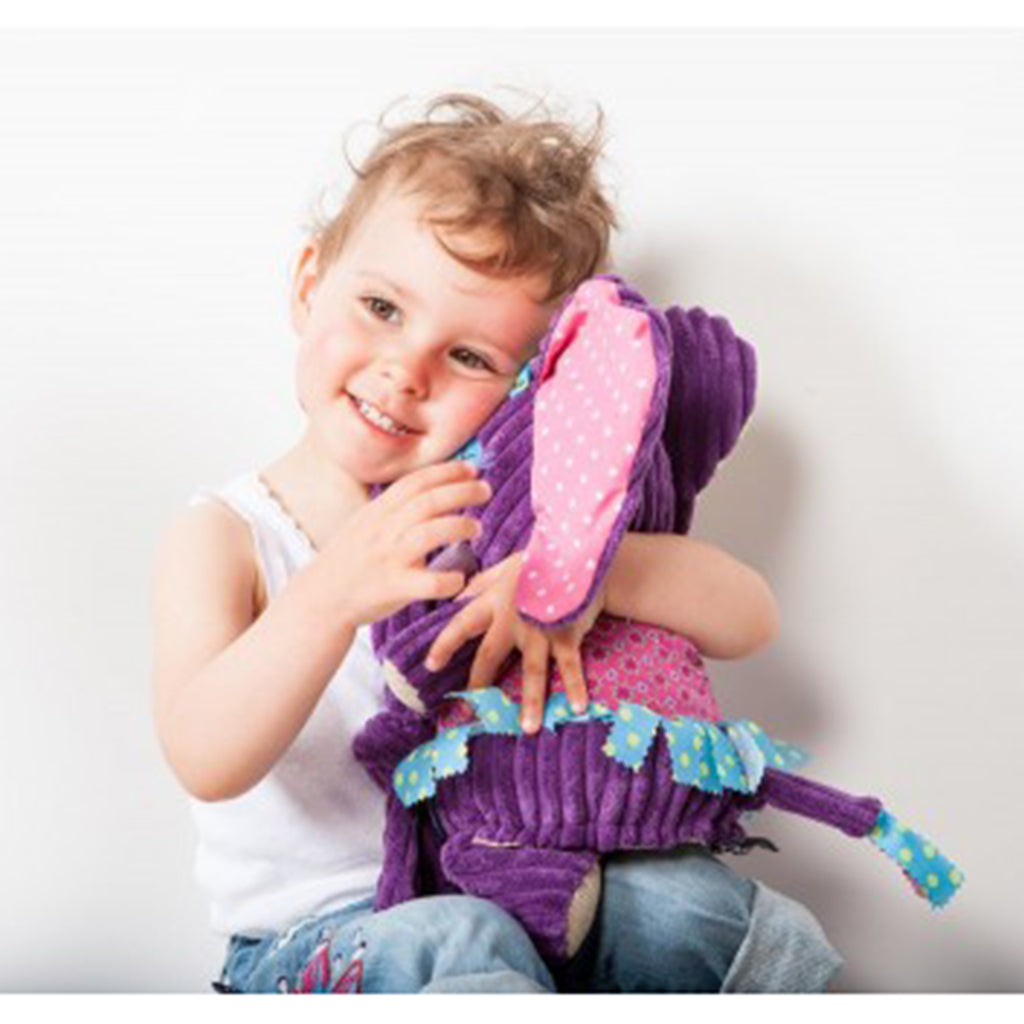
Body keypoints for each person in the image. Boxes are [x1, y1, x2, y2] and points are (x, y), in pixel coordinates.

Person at [151, 91, 843, 994]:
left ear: (532, 390)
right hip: (318, 942)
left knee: (684, 907)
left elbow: (748, 615)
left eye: (471, 358)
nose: (408, 371)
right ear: (309, 283)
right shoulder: (229, 532)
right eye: (381, 306)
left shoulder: (509, 516)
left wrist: (580, 573)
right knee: (458, 941)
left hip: (524, 891)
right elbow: (206, 755)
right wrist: (332, 594)